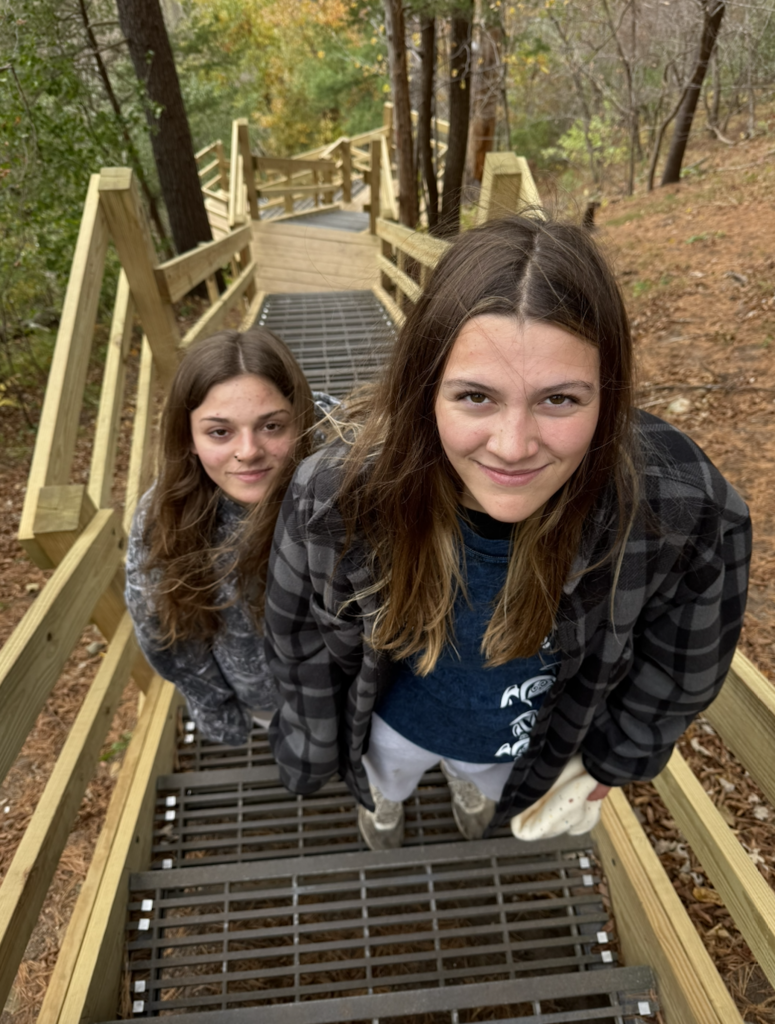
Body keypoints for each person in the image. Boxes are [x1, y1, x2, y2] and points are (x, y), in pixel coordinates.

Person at [262, 215, 751, 850]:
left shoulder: (683, 507)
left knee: (483, 777)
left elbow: (683, 661)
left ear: (608, 395)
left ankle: (464, 783)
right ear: (424, 388)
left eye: (560, 399)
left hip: (520, 744)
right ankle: (384, 799)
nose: (513, 446)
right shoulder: (333, 497)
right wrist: (312, 749)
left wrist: (615, 760)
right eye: (475, 396)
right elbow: (297, 639)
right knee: (390, 773)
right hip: (392, 724)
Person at [125, 328, 337, 746]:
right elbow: (162, 631)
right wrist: (216, 708)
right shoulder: (162, 521)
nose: (249, 451)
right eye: (220, 432)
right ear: (188, 438)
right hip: (265, 696)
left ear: (301, 420)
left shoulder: (348, 478)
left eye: (271, 426)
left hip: (358, 687)